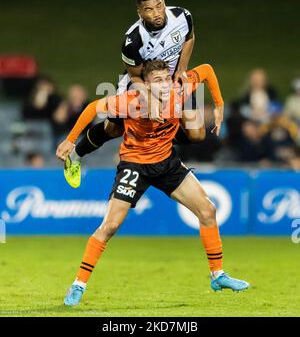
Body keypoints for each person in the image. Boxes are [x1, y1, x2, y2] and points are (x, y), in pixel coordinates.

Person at [56, 60, 249, 306]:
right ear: (145, 85)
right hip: (134, 166)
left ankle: (217, 275)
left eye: (166, 79)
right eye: (157, 81)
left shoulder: (179, 88)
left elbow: (208, 70)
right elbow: (94, 107)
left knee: (208, 210)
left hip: (166, 162)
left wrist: (219, 104)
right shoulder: (131, 101)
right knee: (110, 226)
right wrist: (70, 140)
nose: (164, 85)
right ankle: (78, 285)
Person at [59, 0, 214, 188]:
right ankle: (76, 156)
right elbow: (135, 75)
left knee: (197, 134)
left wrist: (182, 69)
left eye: (159, 6)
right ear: (140, 12)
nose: (157, 13)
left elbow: (190, 38)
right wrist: (149, 99)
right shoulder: (133, 40)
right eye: (149, 9)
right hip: (141, 84)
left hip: (171, 82)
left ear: (164, 2)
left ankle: (149, 141)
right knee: (113, 129)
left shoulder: (183, 16)